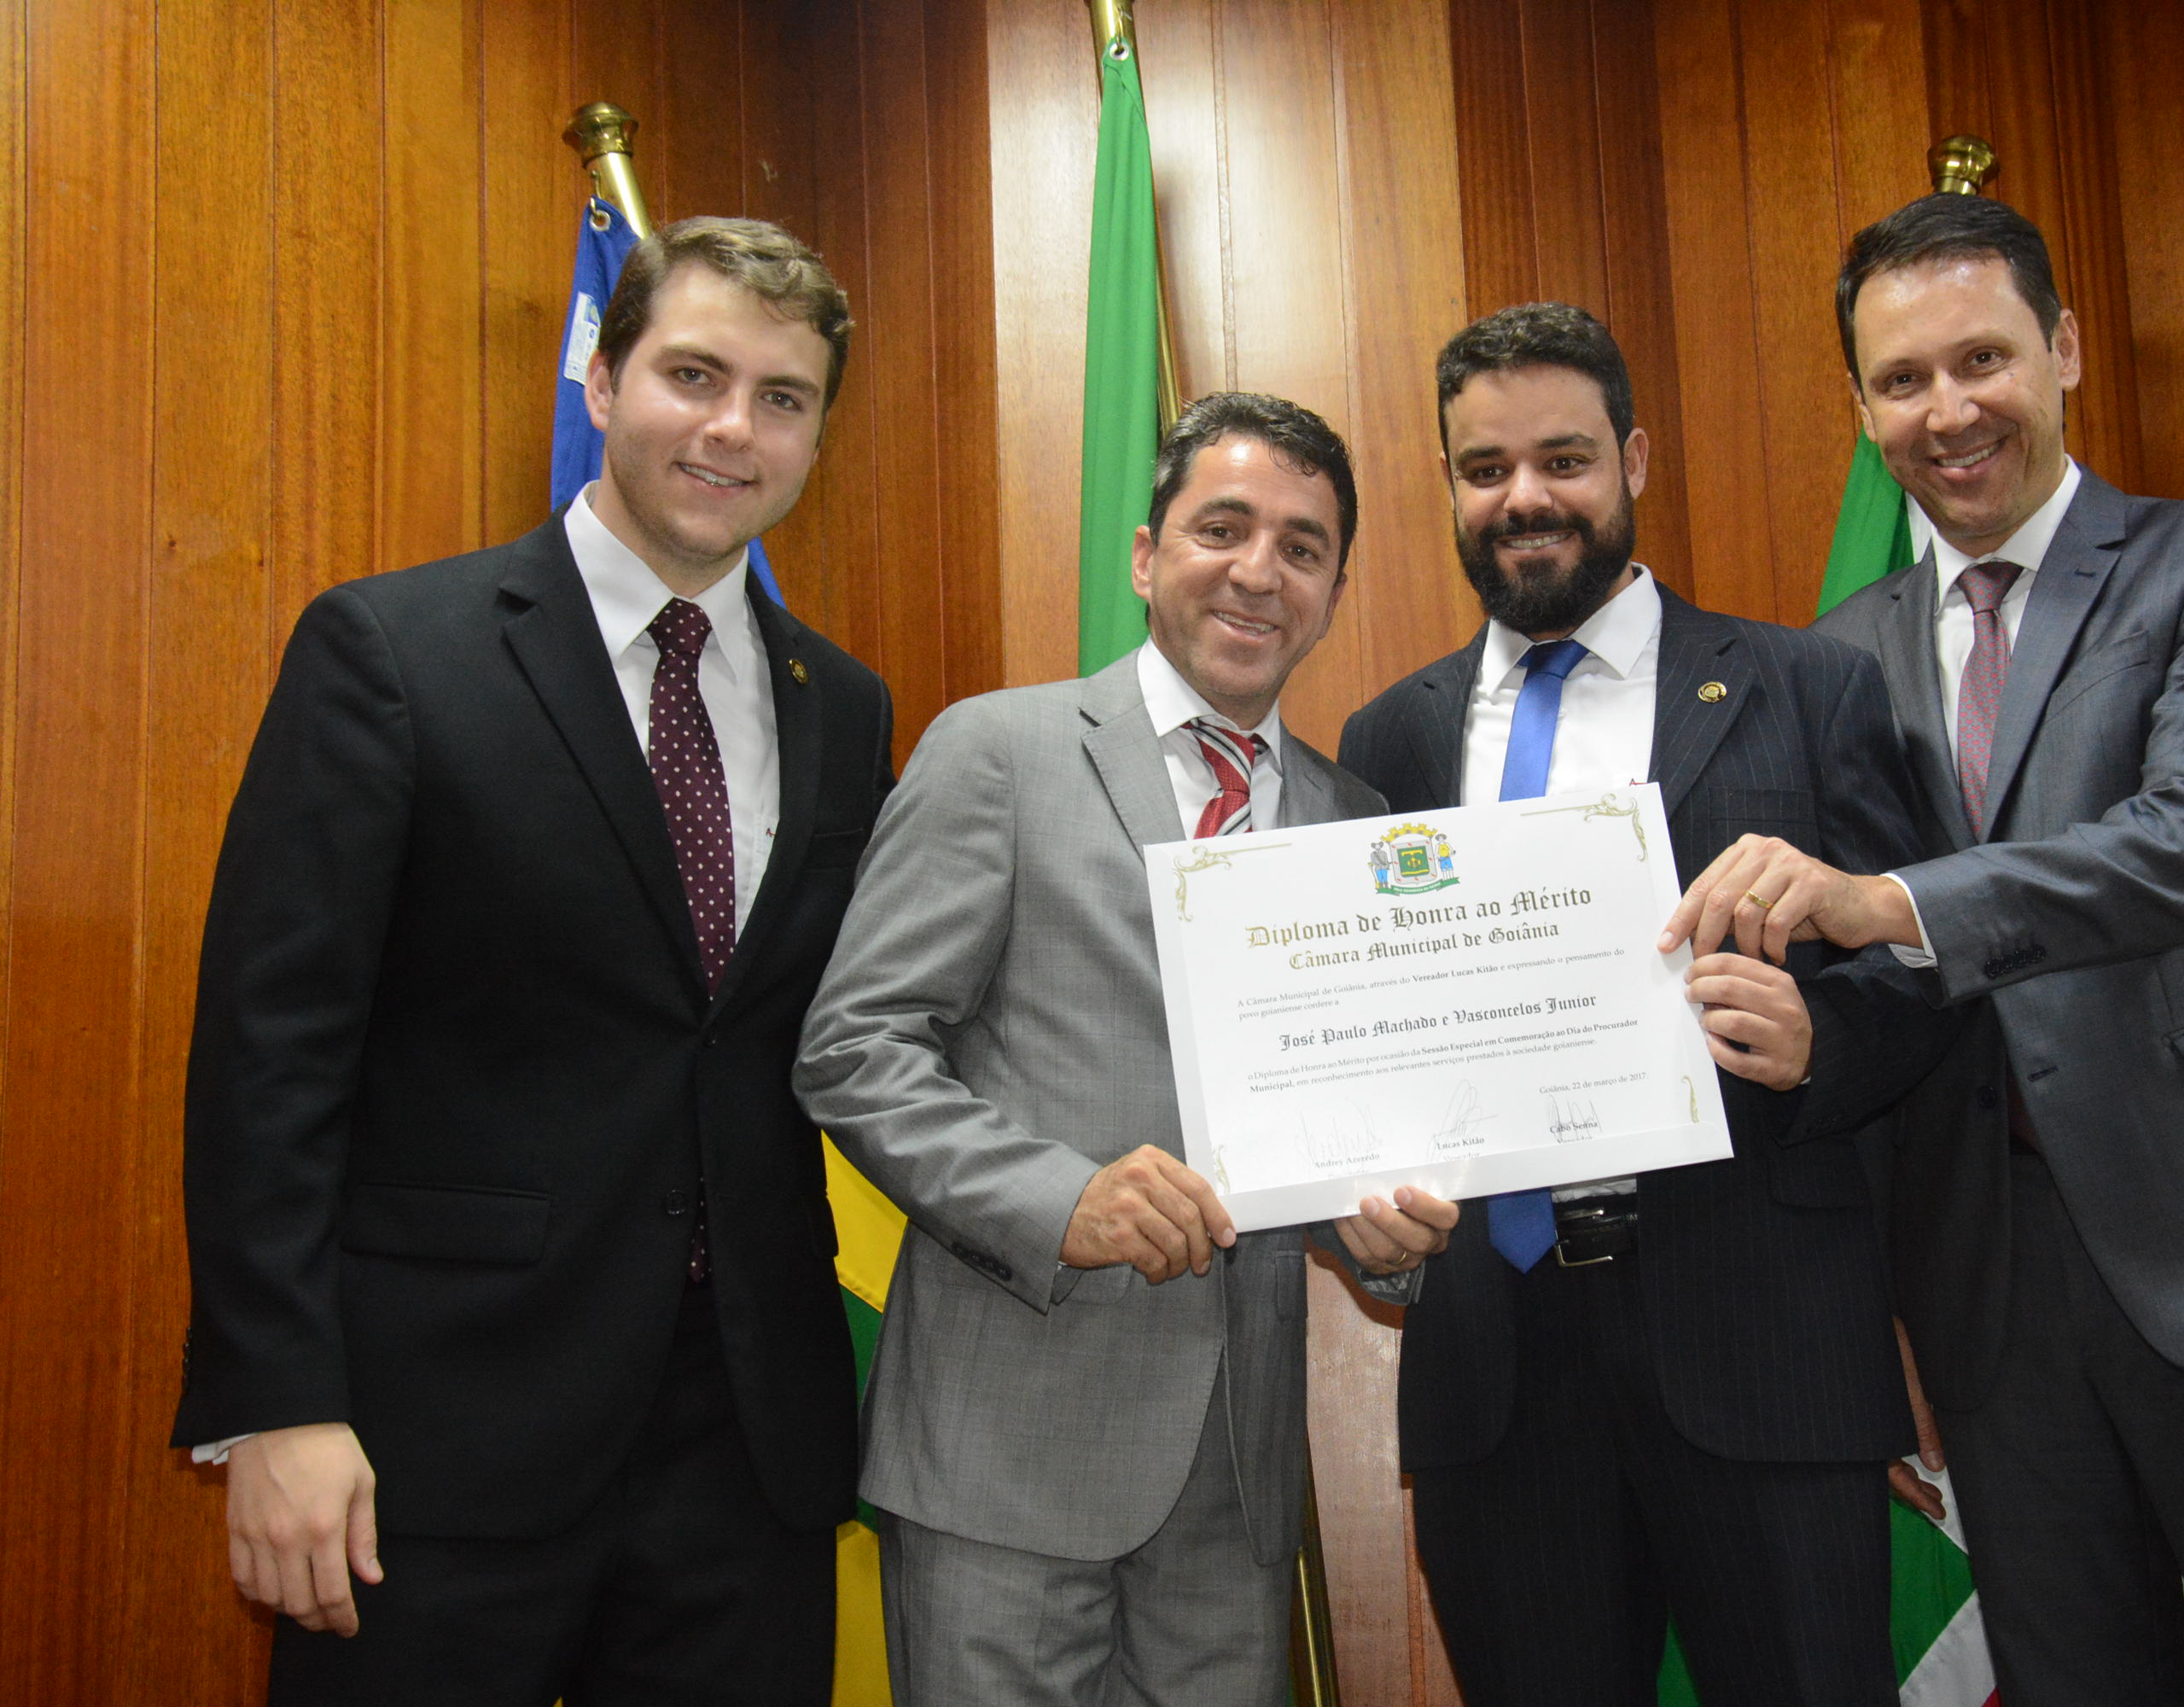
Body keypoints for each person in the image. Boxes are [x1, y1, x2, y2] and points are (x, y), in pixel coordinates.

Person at [1675, 193, 2184, 1706]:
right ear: (1862, 410)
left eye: (1983, 359)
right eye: (1902, 380)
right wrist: (1875, 1300)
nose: (1949, 411)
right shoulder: (1831, 657)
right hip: (1986, 1303)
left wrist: (1885, 901)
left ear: (2065, 348)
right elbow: (1864, 1010)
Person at [172, 217, 893, 1705]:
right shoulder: (392, 651)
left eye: (781, 398)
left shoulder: (845, 705)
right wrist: (277, 1405)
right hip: (434, 1442)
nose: (732, 428)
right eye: (693, 375)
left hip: (745, 1449)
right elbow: (269, 1057)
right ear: (602, 377)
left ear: (816, 438)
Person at [1337, 304, 1960, 1706]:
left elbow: (1927, 976)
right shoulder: (1390, 738)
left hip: (1765, 1348)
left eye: (1563, 459)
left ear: (1631, 460)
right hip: (1497, 1376)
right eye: (1485, 468)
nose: (1525, 497)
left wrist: (1821, 1042)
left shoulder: (1811, 687)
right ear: (1447, 485)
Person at [793, 392, 1457, 1707]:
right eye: (1223, 528)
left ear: (1332, 596)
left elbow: (1345, 1131)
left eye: (1303, 548)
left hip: (1235, 1489)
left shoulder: (1359, 828)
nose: (1259, 571)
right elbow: (854, 1047)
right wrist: (1061, 1200)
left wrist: (1380, 1228)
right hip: (1005, 1459)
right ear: (1148, 556)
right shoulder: (998, 750)